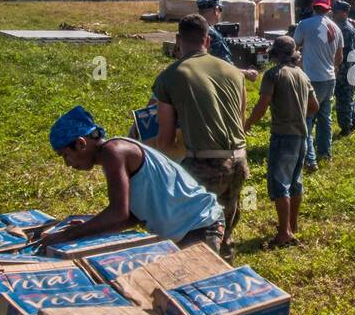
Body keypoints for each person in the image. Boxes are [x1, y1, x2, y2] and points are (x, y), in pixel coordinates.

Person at [43, 106, 224, 254]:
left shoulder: (113, 152)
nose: (67, 164)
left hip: (200, 225)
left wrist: (68, 235)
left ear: (81, 143)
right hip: (188, 228)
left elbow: (118, 213)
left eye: (65, 155)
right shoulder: (114, 154)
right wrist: (92, 224)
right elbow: (131, 216)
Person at [151, 14, 250, 261]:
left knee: (201, 237)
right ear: (207, 39)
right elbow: (239, 120)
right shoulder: (234, 72)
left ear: (177, 39)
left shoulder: (170, 75)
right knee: (225, 228)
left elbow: (164, 140)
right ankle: (227, 271)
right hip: (239, 161)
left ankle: (205, 281)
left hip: (205, 165)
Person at [245, 37, 317, 249]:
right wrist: (298, 115)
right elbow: (314, 106)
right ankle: (292, 227)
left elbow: (263, 104)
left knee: (280, 184)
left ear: (275, 53)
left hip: (283, 135)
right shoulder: (302, 75)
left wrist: (248, 123)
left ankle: (284, 233)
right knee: (295, 182)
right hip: (301, 136)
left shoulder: (273, 74)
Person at [293, 0, 342, 172]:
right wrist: (332, 68)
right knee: (325, 118)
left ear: (313, 6)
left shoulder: (304, 25)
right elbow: (339, 56)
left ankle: (310, 159)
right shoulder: (336, 28)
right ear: (328, 9)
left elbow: (293, 47)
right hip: (329, 79)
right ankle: (325, 154)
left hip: (311, 79)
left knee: (306, 119)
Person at [331, 1, 355, 137]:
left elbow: (341, 52)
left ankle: (345, 127)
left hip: (345, 69)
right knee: (349, 97)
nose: (333, 14)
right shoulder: (346, 26)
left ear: (344, 13)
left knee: (343, 99)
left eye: (336, 12)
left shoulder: (344, 29)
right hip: (351, 68)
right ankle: (353, 122)